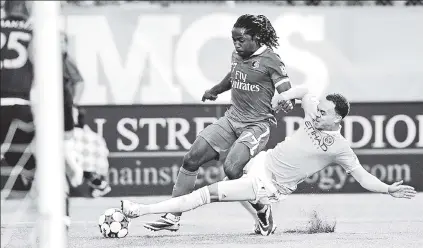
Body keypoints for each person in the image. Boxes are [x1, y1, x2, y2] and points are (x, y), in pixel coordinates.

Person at [121, 85, 417, 236]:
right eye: (320, 108)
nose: (317, 113)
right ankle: (264, 217)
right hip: (263, 161)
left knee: (207, 193)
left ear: (338, 118)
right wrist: (282, 97)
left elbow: (364, 177)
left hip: (269, 184)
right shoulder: (314, 111)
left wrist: (387, 188)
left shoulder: (339, 147)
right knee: (232, 168)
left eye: (324, 112)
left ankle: (141, 210)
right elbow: (304, 93)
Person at [143, 14, 295, 233]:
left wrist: (287, 101)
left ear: (257, 37)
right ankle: (173, 216)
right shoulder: (237, 54)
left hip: (257, 125)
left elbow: (287, 91)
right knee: (192, 157)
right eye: (234, 40)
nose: (236, 44)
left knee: (232, 170)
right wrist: (215, 90)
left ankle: (263, 210)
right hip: (231, 120)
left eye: (241, 39)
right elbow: (234, 76)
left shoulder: (271, 60)